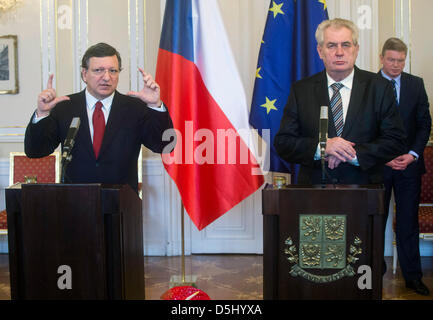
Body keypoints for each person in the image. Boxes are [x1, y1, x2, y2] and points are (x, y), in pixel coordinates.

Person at [25, 43, 174, 192]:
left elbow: (165, 146)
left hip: (122, 203)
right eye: (98, 70)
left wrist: (155, 105)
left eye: (113, 71)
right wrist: (42, 113)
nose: (107, 77)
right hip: (75, 203)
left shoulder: (135, 108)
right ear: (84, 74)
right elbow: (35, 151)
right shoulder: (65, 107)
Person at [274, 18, 406, 185]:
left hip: (365, 194)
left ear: (356, 50)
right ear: (320, 51)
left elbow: (396, 140)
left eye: (346, 45)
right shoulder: (301, 90)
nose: (339, 52)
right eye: (331, 45)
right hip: (313, 195)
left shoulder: (379, 87)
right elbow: (283, 143)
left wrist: (352, 154)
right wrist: (323, 148)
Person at [380, 38, 432, 296]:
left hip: (409, 166)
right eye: (391, 60)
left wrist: (412, 154)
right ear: (382, 59)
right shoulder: (368, 84)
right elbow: (363, 126)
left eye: (401, 60)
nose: (396, 65)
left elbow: (424, 123)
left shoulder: (415, 84)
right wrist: (382, 156)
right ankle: (370, 271)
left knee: (408, 223)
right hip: (378, 166)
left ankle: (412, 277)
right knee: (374, 220)